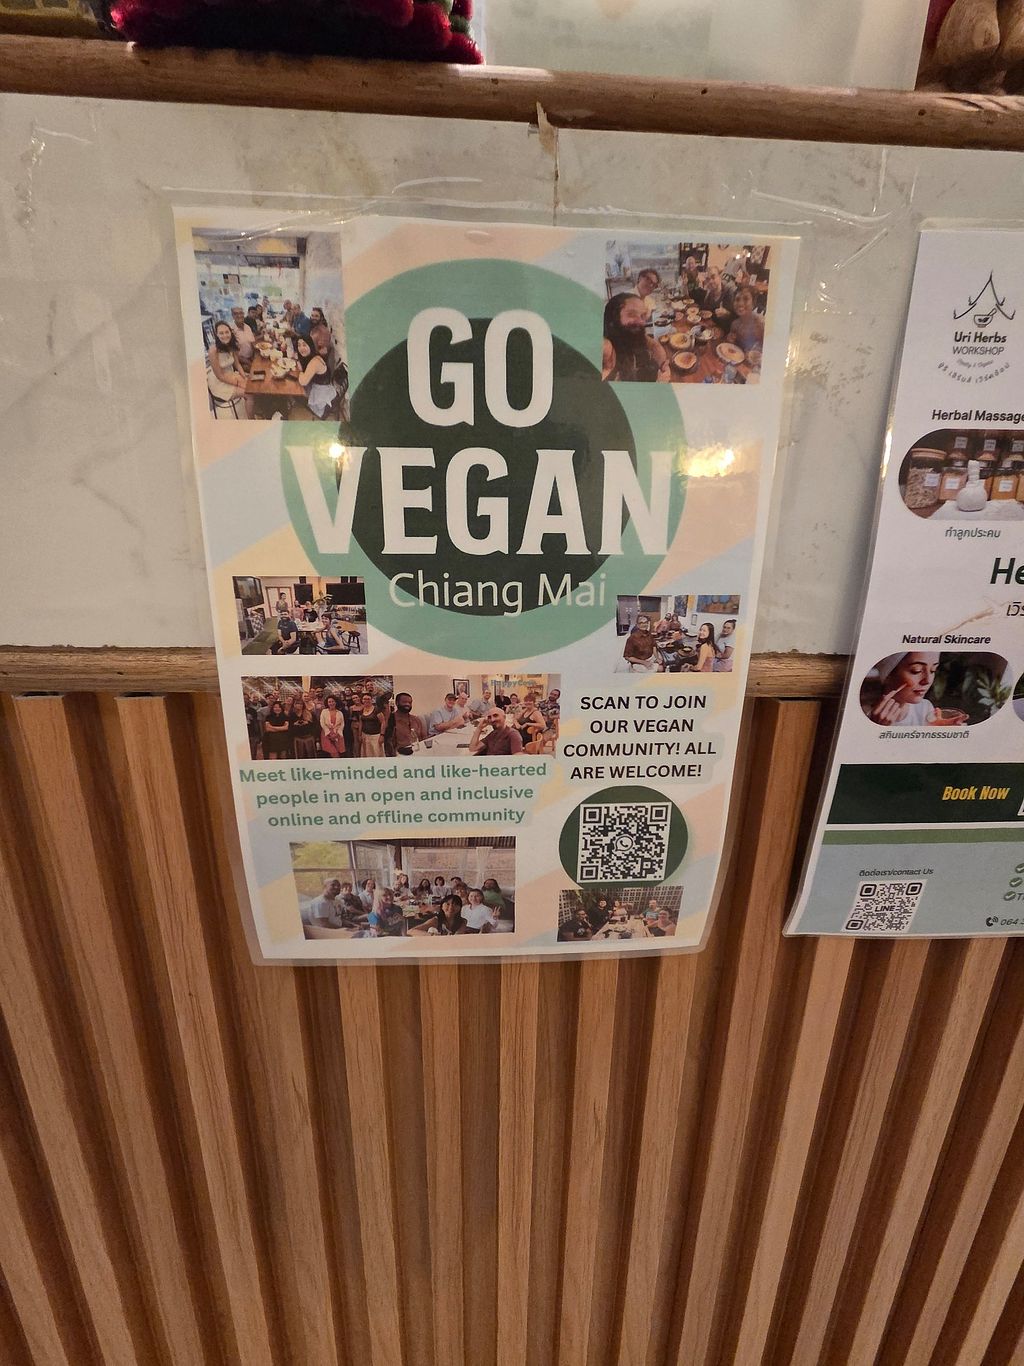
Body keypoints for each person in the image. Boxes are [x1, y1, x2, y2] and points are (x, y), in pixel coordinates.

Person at [602, 293, 670, 383]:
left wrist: (663, 366)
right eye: (632, 314)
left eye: (642, 316)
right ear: (613, 317)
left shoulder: (629, 334)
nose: (640, 321)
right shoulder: (607, 348)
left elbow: (653, 345)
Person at [863, 652, 939, 727]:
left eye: (933, 670)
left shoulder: (925, 708)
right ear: (888, 675)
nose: (928, 681)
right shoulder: (864, 717)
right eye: (916, 671)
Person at [207, 321, 254, 418]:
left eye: (226, 332)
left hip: (231, 375)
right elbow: (220, 376)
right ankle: (251, 420)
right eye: (221, 333)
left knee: (252, 386)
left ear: (230, 332)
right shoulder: (213, 351)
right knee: (249, 394)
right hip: (219, 383)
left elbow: (237, 364)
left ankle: (252, 409)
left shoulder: (231, 345)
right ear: (216, 335)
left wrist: (244, 377)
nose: (225, 335)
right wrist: (238, 383)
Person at [292, 335, 338, 420]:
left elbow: (303, 381)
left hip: (321, 395)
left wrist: (300, 371)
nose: (301, 348)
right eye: (299, 345)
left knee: (295, 388)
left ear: (310, 345)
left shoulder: (314, 362)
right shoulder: (315, 356)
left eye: (304, 345)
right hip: (325, 387)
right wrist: (298, 361)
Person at [727, 287, 765, 354]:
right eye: (737, 299)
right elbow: (733, 346)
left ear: (753, 303)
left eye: (746, 299)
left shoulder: (760, 323)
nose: (740, 303)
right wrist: (730, 339)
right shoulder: (735, 324)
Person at [358, 693, 387, 758]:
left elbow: (383, 722)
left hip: (376, 736)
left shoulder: (377, 710)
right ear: (362, 700)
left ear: (371, 700)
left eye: (368, 699)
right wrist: (359, 735)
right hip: (365, 736)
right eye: (364, 699)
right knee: (366, 754)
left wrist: (382, 735)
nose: (366, 700)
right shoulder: (361, 711)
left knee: (376, 753)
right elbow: (361, 723)